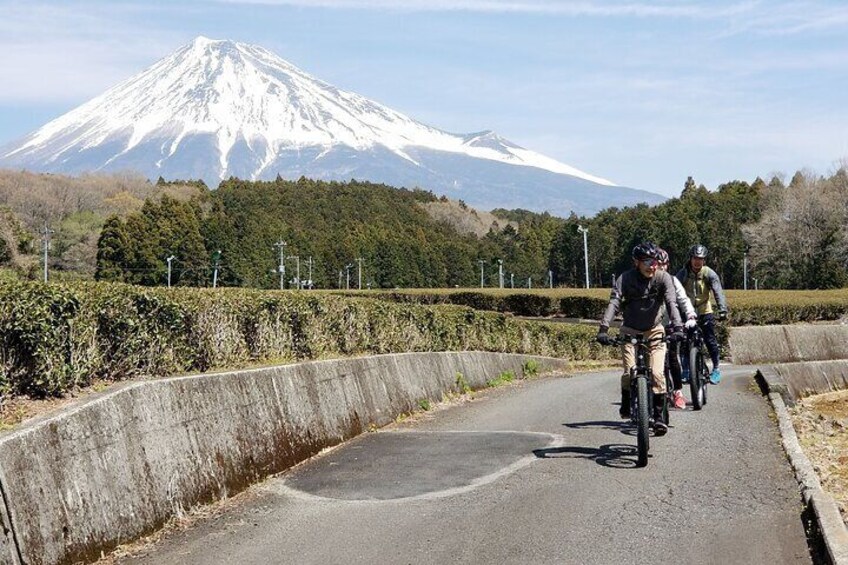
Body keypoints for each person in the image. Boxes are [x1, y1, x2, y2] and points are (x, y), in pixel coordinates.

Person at [597, 242, 685, 435]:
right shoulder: (625, 279)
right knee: (629, 373)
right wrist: (603, 329)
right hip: (630, 329)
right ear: (636, 262)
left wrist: (678, 327)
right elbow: (614, 303)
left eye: (654, 261)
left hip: (654, 330)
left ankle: (659, 417)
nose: (652, 266)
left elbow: (671, 302)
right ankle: (627, 400)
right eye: (647, 262)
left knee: (657, 373)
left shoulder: (664, 278)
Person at [676, 244, 728, 384]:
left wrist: (722, 309)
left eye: (700, 259)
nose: (697, 261)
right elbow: (674, 291)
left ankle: (716, 369)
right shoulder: (683, 273)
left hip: (705, 311)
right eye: (695, 258)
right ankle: (686, 369)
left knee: (710, 340)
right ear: (691, 258)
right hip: (687, 312)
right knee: (684, 341)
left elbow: (718, 291)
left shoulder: (709, 273)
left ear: (704, 260)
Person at [656, 248, 698, 409]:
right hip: (651, 326)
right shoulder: (646, 280)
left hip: (669, 325)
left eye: (664, 264)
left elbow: (683, 299)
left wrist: (691, 315)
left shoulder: (673, 280)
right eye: (658, 264)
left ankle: (678, 392)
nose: (661, 267)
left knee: (672, 358)